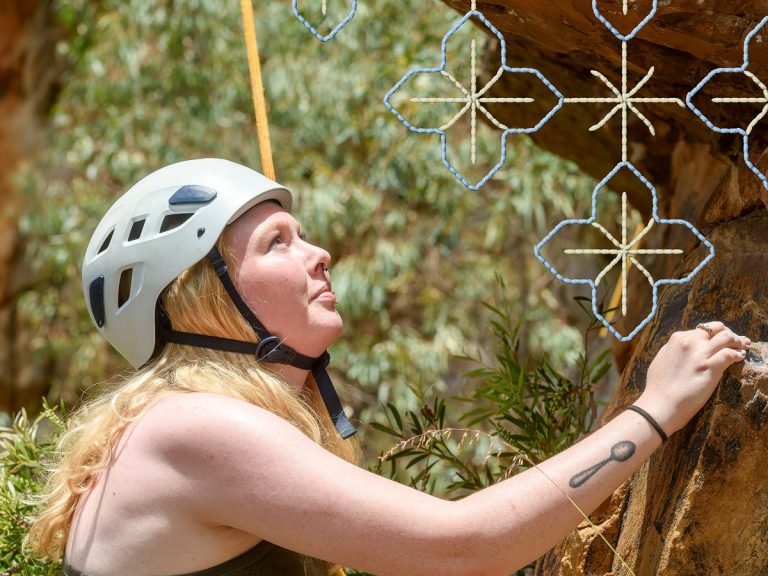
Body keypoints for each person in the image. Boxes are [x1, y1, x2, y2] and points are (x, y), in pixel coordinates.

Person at [26, 158, 750, 576]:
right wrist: (653, 411)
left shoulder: (182, 423)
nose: (319, 254)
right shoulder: (193, 428)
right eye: (278, 242)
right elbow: (463, 547)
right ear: (198, 295)